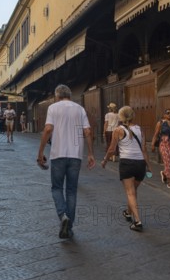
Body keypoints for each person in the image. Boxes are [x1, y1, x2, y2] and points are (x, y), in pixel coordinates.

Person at [37, 84, 96, 239]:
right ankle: (68, 228)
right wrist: (90, 153)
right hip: (76, 155)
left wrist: (41, 151)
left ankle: (63, 215)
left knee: (56, 188)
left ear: (57, 95)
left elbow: (48, 129)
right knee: (71, 191)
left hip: (58, 154)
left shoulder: (53, 108)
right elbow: (88, 131)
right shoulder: (80, 109)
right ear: (69, 95)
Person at [102, 106, 152, 232]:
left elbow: (112, 149)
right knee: (133, 191)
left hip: (127, 163)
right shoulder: (140, 129)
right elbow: (144, 149)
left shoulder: (118, 130)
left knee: (130, 193)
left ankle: (137, 221)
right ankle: (128, 213)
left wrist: (105, 160)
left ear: (121, 117)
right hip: (140, 164)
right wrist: (149, 166)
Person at [151, 108, 170, 188]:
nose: (169, 115)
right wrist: (152, 144)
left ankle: (164, 173)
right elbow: (156, 134)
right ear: (164, 115)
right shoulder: (160, 123)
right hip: (164, 143)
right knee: (168, 161)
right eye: (168, 113)